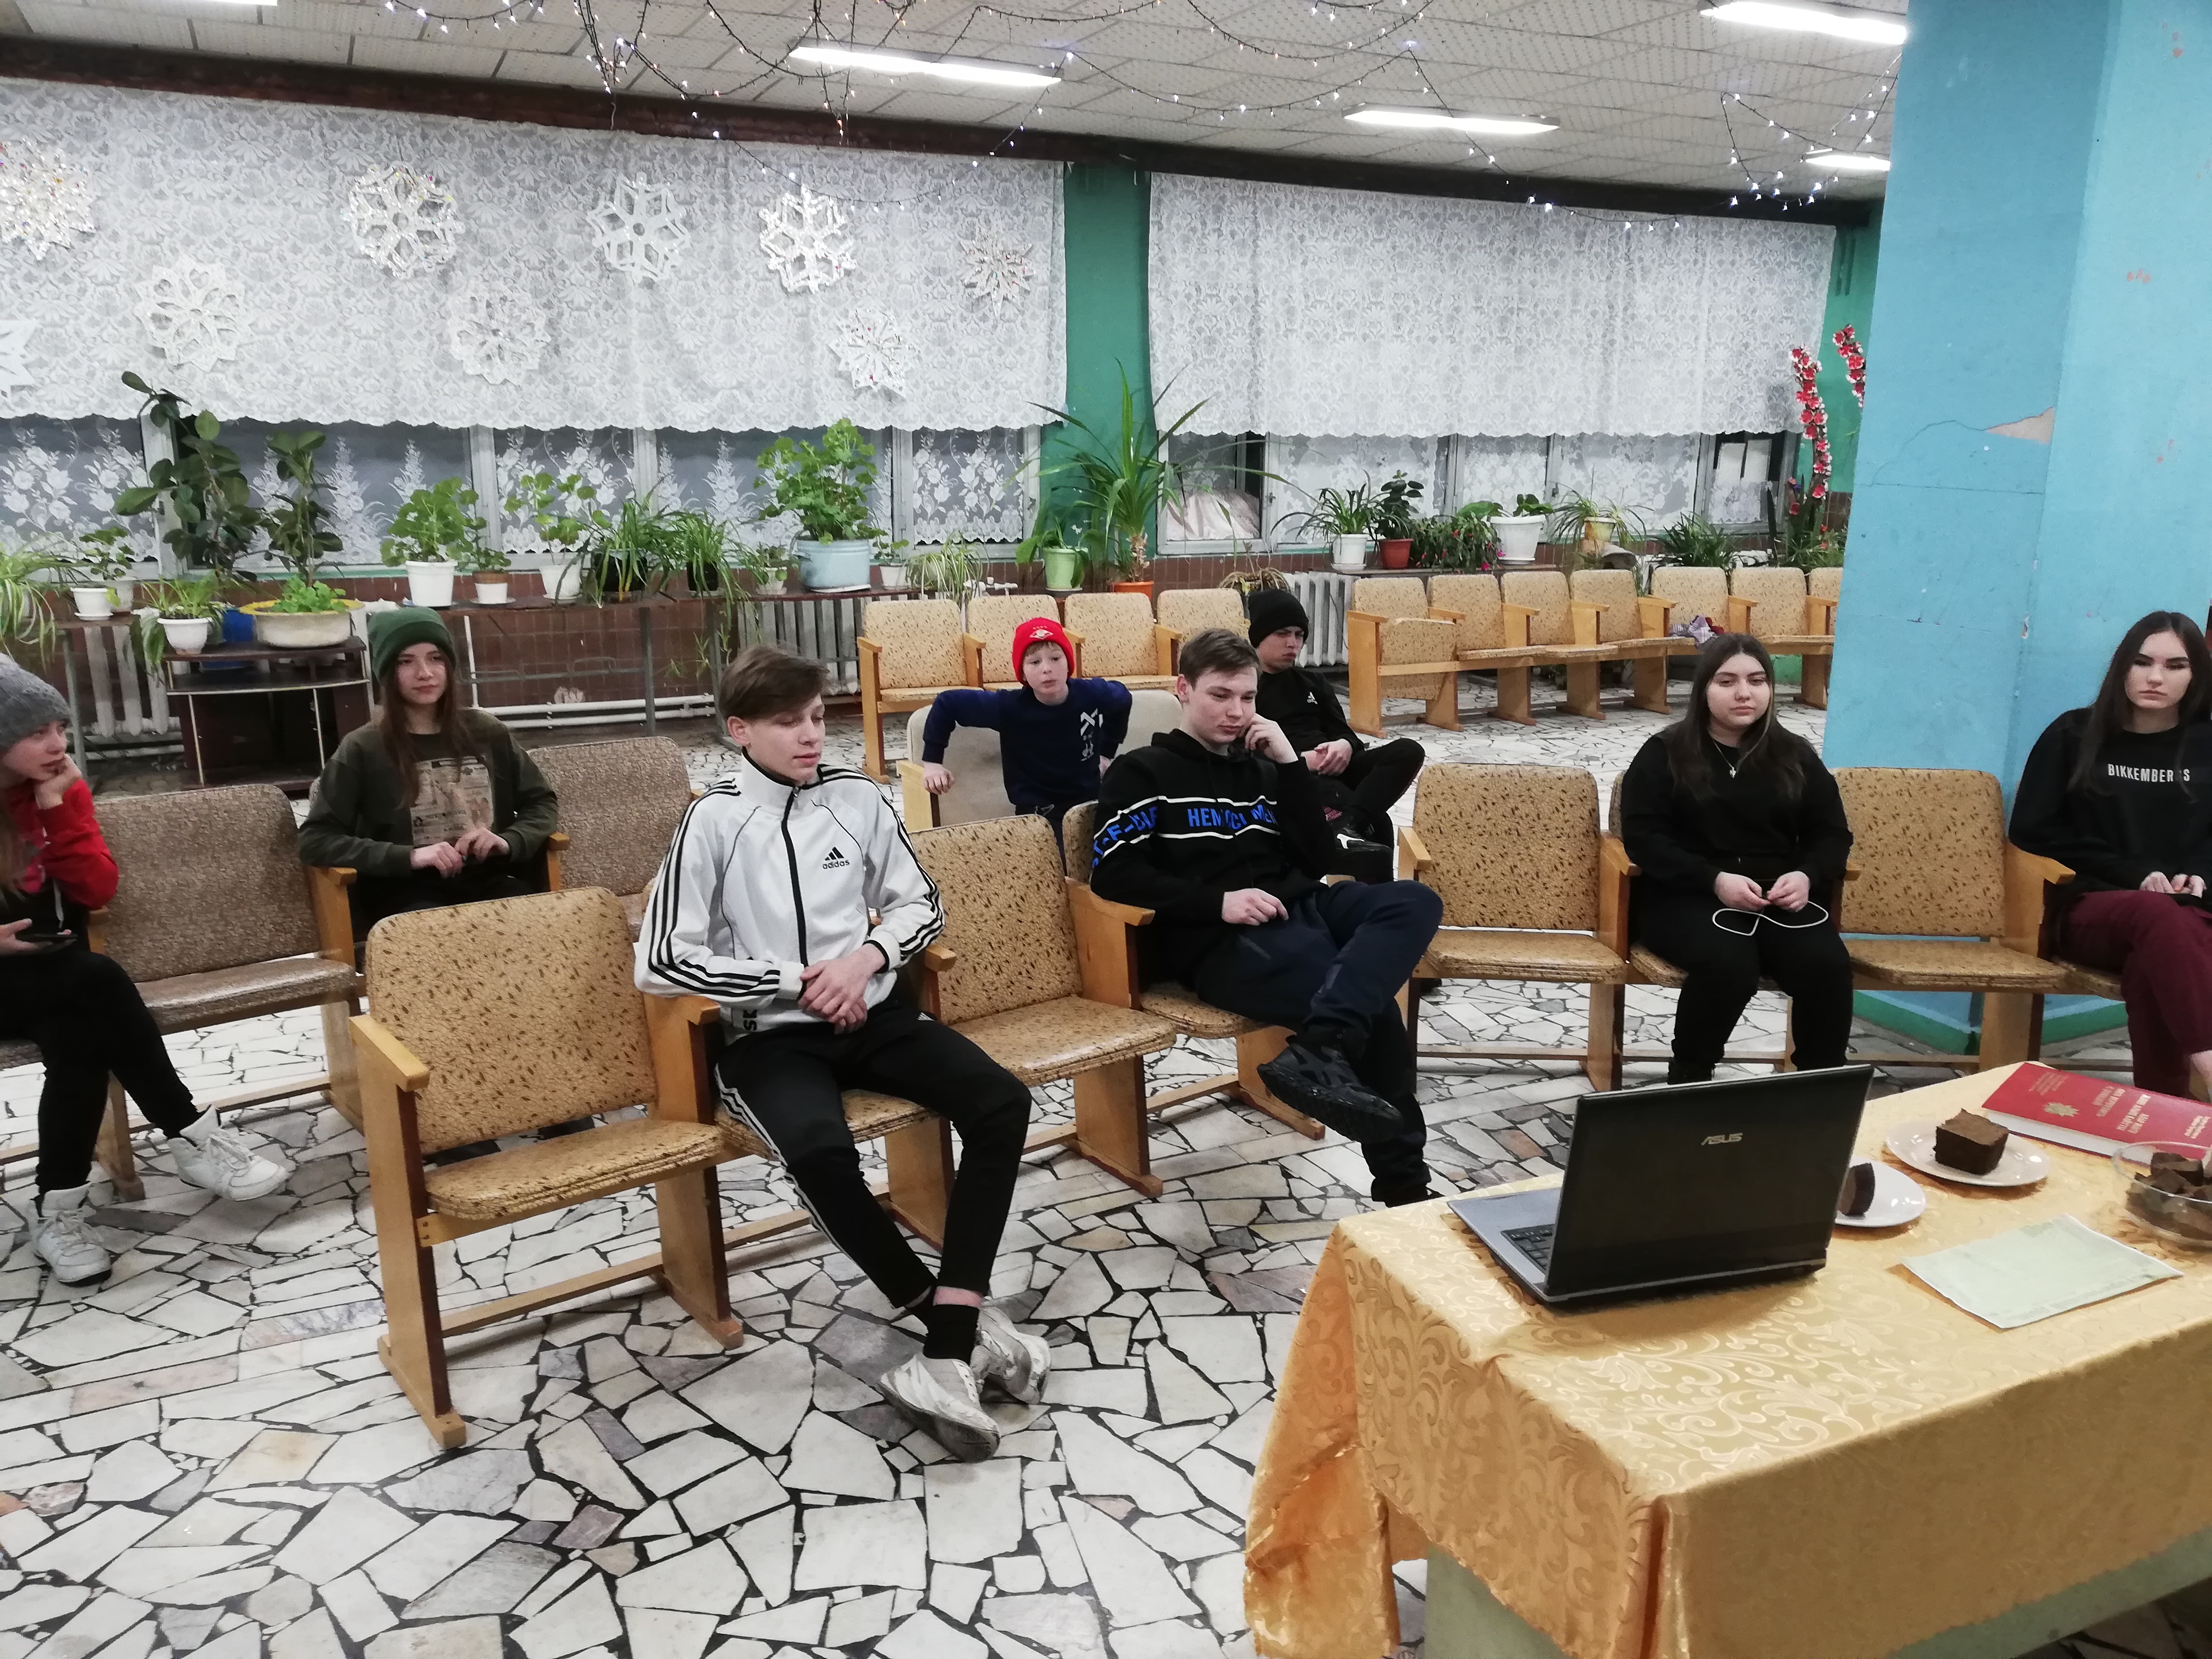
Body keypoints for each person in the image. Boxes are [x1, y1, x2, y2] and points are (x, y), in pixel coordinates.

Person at [637, 643, 1046, 1461]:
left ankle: (950, 1335)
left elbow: (920, 905)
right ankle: (948, 1322)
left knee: (1002, 1103)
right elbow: (660, 959)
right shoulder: (711, 821)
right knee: (822, 1157)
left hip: (871, 1011)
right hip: (769, 1038)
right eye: (787, 722)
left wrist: (866, 959)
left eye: (818, 718)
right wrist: (794, 980)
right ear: (739, 731)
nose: (809, 736)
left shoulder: (856, 798)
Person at [1089, 627, 1443, 1205]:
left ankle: (1319, 1046)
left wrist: (1289, 764)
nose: (1237, 711)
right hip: (1221, 939)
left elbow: (1318, 859)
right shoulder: (1142, 772)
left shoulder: (1262, 771)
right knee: (1373, 1008)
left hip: (1303, 906)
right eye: (1220, 695)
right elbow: (1113, 873)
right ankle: (1406, 1188)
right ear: (1184, 689)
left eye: (1248, 697)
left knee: (1414, 901)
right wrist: (1218, 902)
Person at [0, 661, 289, 1286]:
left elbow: (97, 888)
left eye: (60, 728)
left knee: (80, 1030)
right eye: (37, 732)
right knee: (94, 983)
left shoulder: (58, 787)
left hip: (53, 977)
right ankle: (188, 1134)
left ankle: (58, 1212)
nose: (57, 744)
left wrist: (56, 810)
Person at [1619, 633, 1855, 1084]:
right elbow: (1644, 838)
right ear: (1704, 689)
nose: (1744, 693)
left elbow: (1832, 834)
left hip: (1777, 899)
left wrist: (1807, 875)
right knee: (1729, 964)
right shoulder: (1665, 753)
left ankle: (1820, 1087)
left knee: (1825, 964)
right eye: (1727, 682)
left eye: (1757, 681)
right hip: (1687, 895)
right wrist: (1714, 879)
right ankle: (1690, 1080)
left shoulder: (1795, 755)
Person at [2010, 611, 2212, 1097]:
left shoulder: (2207, 744)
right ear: (2122, 666)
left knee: (2153, 961)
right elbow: (2032, 828)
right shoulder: (2074, 735)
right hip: (2093, 909)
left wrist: (2201, 872)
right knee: (2157, 916)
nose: (2156, 677)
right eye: (2143, 662)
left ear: (2197, 675)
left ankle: (2164, 1116)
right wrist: (2133, 873)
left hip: (2186, 916)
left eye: (2176, 666)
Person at [300, 608, 558, 938]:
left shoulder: (487, 732)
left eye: (436, 658)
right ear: (387, 673)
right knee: (439, 938)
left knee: (545, 930)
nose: (425, 673)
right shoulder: (362, 748)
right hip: (404, 893)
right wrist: (409, 857)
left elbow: (541, 803)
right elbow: (316, 840)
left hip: (489, 882)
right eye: (406, 662)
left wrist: (508, 841)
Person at [1248, 589, 1424, 870]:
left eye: (1299, 635)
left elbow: (1346, 734)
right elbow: (1240, 753)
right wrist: (1298, 762)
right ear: (1259, 636)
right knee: (1379, 823)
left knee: (1408, 751)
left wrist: (1344, 745)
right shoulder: (1247, 688)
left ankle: (1348, 826)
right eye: (1283, 634)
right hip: (1292, 776)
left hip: (1337, 767)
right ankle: (1352, 833)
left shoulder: (1313, 682)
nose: (1293, 644)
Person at [918, 616, 1130, 842]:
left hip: (1090, 806)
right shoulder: (1008, 707)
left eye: (1056, 658)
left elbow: (1122, 698)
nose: (1047, 669)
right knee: (1061, 862)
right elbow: (947, 703)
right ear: (1023, 673)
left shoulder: (1093, 694)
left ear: (1069, 663)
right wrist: (932, 763)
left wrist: (1106, 752)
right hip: (1039, 816)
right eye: (1035, 662)